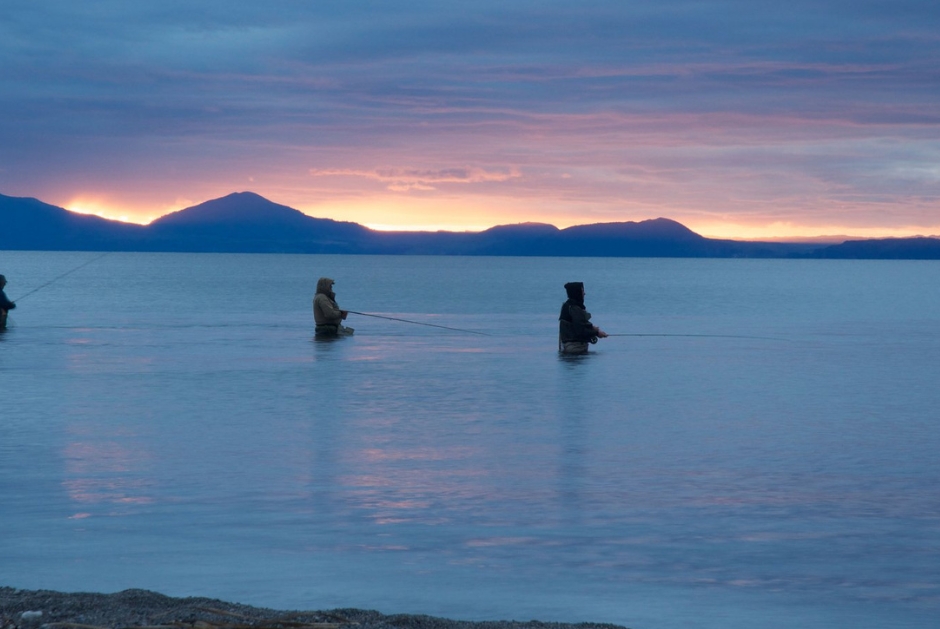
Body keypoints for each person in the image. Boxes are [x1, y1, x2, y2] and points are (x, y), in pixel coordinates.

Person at [558, 281, 607, 354]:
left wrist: (591, 328)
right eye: (582, 291)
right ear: (577, 293)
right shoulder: (575, 309)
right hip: (575, 349)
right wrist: (597, 333)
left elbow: (576, 325)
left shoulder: (566, 306)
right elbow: (580, 331)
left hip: (566, 347)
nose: (584, 293)